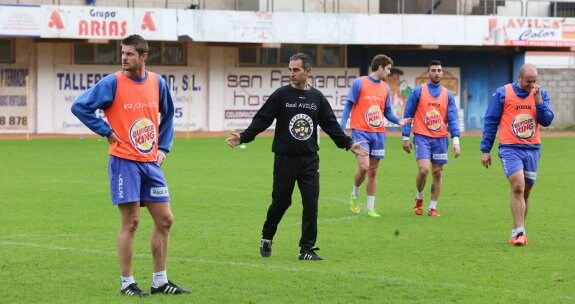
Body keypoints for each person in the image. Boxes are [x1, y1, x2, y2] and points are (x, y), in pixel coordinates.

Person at [71, 34, 190, 296]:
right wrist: (105, 130)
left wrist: (163, 147)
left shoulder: (157, 82)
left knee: (166, 219)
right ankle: (127, 284)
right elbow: (80, 107)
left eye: (129, 54)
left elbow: (168, 115)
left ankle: (160, 281)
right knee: (132, 222)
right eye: (122, 53)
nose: (124, 58)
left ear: (143, 56)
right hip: (124, 161)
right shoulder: (112, 82)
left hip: (150, 163)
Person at [226, 53, 367, 261]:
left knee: (311, 203)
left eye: (296, 70)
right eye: (290, 70)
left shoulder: (317, 98)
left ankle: (306, 249)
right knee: (281, 203)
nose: (291, 73)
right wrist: (245, 137)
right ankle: (267, 236)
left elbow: (330, 125)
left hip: (310, 159)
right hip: (285, 159)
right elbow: (263, 119)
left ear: (307, 72)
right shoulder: (281, 95)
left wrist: (348, 144)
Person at [480, 63, 554, 246]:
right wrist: (485, 150)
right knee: (518, 187)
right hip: (510, 148)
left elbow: (547, 121)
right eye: (529, 81)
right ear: (519, 78)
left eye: (535, 81)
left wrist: (538, 103)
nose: (532, 85)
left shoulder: (540, 94)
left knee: (526, 192)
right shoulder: (502, 93)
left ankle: (518, 230)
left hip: (532, 149)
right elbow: (491, 121)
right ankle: (520, 233)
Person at [339, 54, 410, 217]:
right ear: (380, 67)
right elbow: (348, 105)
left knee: (373, 171)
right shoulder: (360, 83)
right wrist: (342, 127)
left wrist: (399, 121)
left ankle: (371, 207)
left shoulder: (385, 87)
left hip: (378, 134)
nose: (389, 72)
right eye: (388, 69)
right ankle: (355, 194)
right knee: (364, 166)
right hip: (360, 131)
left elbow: (388, 112)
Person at [402, 60, 461, 217]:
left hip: (440, 138)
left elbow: (453, 119)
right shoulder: (418, 92)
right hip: (422, 137)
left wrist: (456, 141)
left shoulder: (447, 95)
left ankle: (432, 207)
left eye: (439, 70)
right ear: (428, 73)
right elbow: (408, 115)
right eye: (433, 70)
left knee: (437, 173)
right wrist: (405, 137)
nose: (436, 73)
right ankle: (419, 197)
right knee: (424, 169)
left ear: (442, 73)